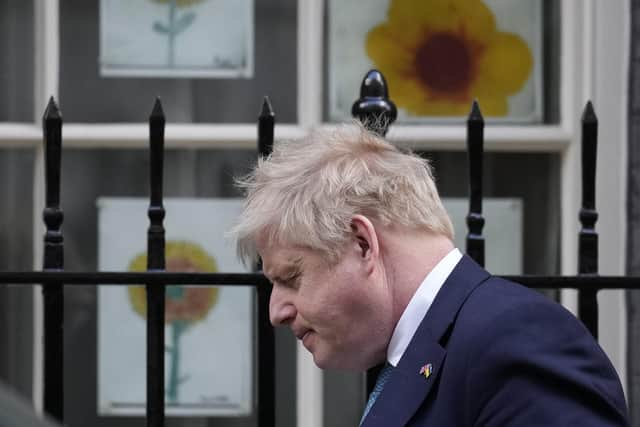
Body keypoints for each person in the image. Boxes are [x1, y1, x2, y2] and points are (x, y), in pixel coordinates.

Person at [232, 123, 629, 426]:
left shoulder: (517, 339)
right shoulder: (422, 352)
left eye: (291, 276)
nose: (276, 311)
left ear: (363, 244)